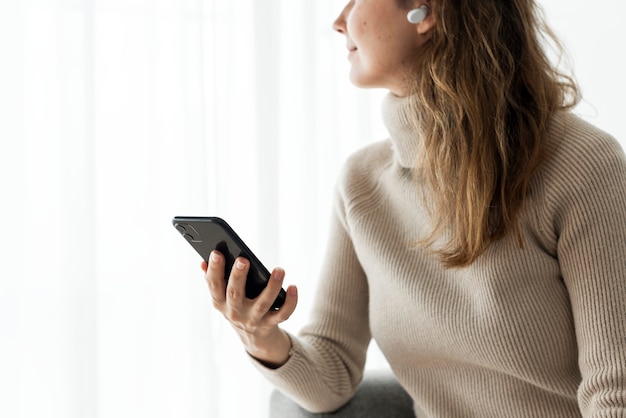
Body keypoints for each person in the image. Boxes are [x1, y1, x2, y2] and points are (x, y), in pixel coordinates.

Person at [201, 0, 626, 416]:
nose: (338, 20)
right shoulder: (362, 183)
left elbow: (616, 390)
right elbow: (330, 378)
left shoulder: (580, 164)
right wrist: (259, 335)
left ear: (426, 10)